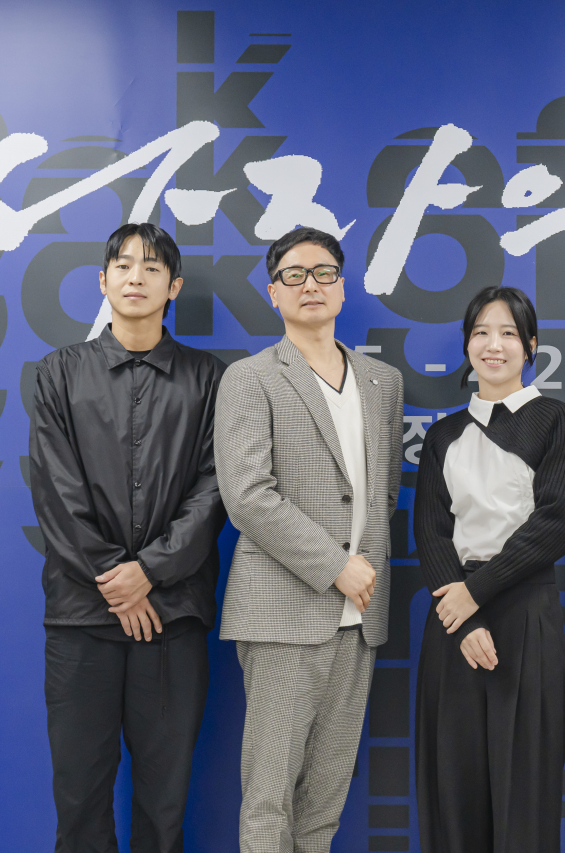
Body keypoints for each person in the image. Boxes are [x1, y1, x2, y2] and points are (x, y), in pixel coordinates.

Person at [30, 222, 226, 853]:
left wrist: (154, 572)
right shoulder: (57, 373)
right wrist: (119, 580)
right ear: (102, 280)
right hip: (80, 617)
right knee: (80, 796)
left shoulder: (211, 379)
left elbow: (216, 486)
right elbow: (56, 491)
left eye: (151, 267)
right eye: (122, 265)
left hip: (174, 616)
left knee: (165, 799)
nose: (135, 277)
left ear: (175, 286)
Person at [214, 226, 404, 853]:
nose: (311, 285)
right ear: (274, 294)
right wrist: (335, 566)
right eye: (294, 275)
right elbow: (248, 497)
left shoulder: (382, 382)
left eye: (324, 272)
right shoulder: (250, 377)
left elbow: (382, 494)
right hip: (283, 614)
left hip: (361, 619)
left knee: (324, 804)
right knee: (270, 801)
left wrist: (360, 578)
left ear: (343, 288)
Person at [413, 286, 565, 853]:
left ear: (531, 345)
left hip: (525, 611)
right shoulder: (443, 435)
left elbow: (556, 525)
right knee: (453, 785)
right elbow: (431, 533)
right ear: (467, 346)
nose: (494, 345)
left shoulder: (556, 421)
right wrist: (460, 616)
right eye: (481, 333)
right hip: (452, 621)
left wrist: (476, 593)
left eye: (509, 333)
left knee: (525, 787)